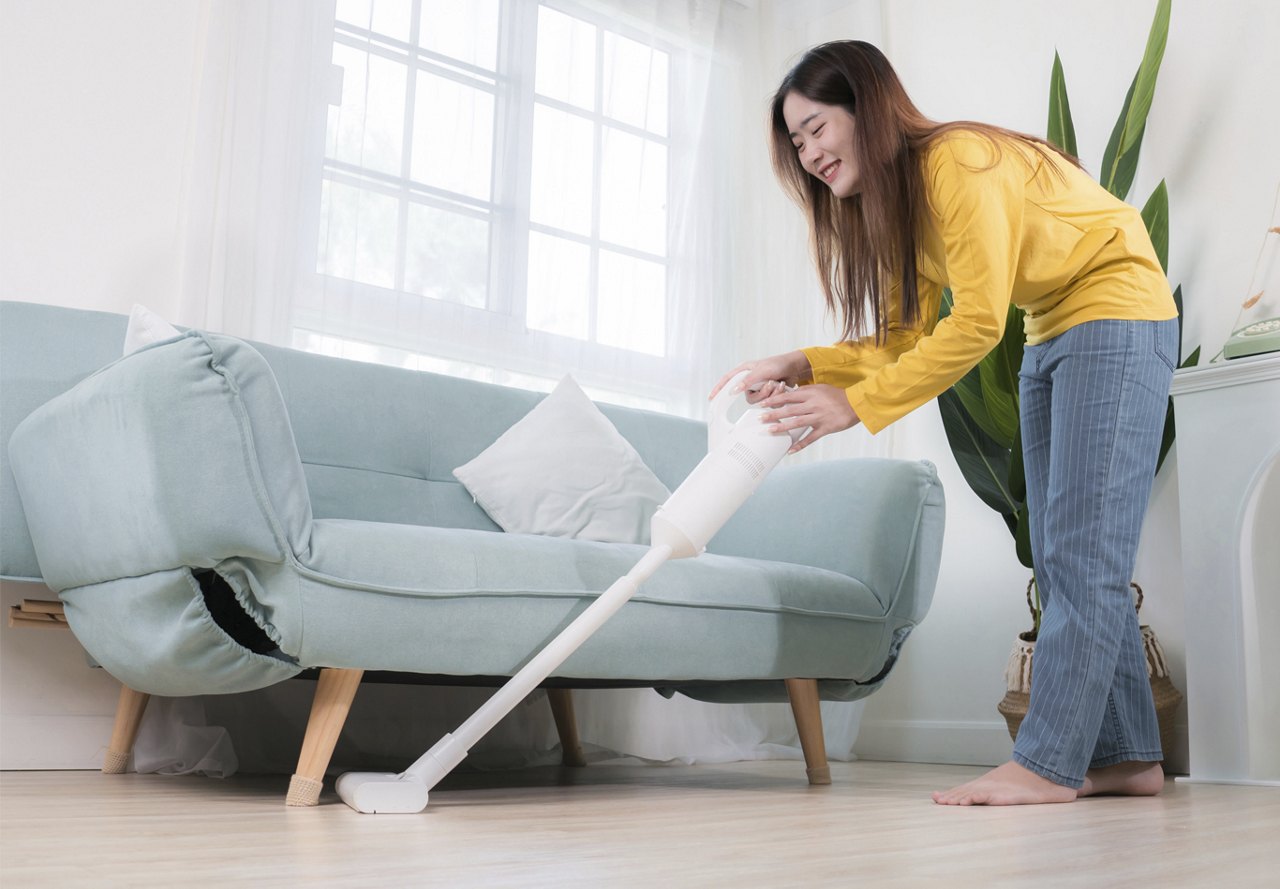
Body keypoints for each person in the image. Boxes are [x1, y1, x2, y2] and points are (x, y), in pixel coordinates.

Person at [711, 40, 1179, 806]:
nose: (809, 153)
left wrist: (855, 406)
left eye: (818, 128)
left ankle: (1047, 763)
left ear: (867, 107)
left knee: (1084, 551)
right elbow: (905, 338)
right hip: (1052, 327)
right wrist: (806, 363)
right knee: (1064, 554)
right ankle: (1127, 757)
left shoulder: (955, 163)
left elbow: (977, 323)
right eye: (796, 143)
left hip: (1119, 313)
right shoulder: (900, 209)